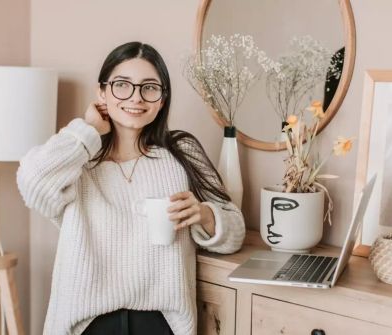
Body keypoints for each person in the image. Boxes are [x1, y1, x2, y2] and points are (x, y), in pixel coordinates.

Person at [16, 41, 246, 335]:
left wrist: (203, 214)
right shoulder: (78, 161)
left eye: (150, 87)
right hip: (87, 325)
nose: (136, 98)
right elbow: (31, 182)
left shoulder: (181, 152)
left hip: (162, 324)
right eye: (122, 85)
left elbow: (235, 231)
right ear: (102, 92)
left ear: (162, 99)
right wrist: (87, 130)